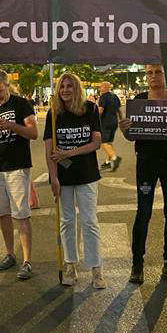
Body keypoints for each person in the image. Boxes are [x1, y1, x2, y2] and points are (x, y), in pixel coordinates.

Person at [119, 63, 167, 285]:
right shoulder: (139, 101)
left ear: (165, 75)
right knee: (143, 212)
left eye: (157, 72)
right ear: (145, 76)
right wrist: (125, 130)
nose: (153, 77)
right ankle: (137, 263)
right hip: (146, 162)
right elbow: (132, 136)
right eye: (149, 73)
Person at [45, 72, 104, 288]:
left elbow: (96, 142)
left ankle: (96, 269)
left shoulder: (89, 109)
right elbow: (49, 148)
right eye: (62, 87)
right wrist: (53, 177)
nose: (66, 90)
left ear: (76, 88)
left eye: (70, 86)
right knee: (67, 221)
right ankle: (70, 265)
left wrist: (68, 153)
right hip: (64, 177)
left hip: (87, 174)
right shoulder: (54, 114)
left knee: (89, 221)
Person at [0, 69, 38, 279]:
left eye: (1, 91)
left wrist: (12, 125)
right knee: (2, 213)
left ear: (7, 86)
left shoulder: (21, 104)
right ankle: (9, 254)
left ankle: (27, 260)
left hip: (18, 166)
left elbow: (33, 133)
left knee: (21, 214)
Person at [97, 80, 122, 172]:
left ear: (105, 87)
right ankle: (107, 162)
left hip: (105, 123)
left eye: (101, 87)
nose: (99, 89)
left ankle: (115, 158)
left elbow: (100, 110)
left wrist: (95, 119)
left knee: (103, 142)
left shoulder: (103, 97)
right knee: (109, 143)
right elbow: (119, 110)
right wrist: (121, 120)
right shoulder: (114, 96)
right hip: (114, 122)